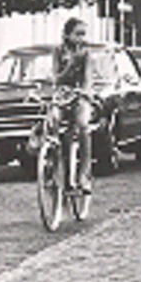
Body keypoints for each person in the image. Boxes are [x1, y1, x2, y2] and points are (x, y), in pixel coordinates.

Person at [52, 17, 94, 192]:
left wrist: (84, 92)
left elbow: (87, 77)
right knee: (53, 122)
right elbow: (56, 77)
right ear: (67, 35)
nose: (81, 38)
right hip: (62, 95)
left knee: (83, 126)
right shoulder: (58, 51)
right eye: (78, 34)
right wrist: (68, 66)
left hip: (79, 95)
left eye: (83, 34)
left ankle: (84, 175)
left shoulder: (86, 53)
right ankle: (55, 167)